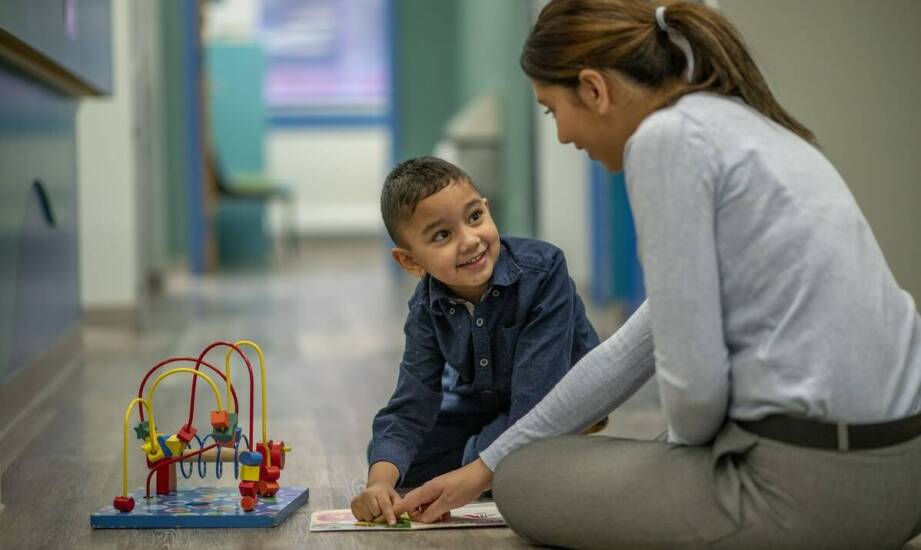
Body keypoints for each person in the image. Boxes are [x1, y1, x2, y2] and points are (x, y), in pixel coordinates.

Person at [394, 1, 921, 547]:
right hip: (908, 480)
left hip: (811, 497)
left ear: (595, 89)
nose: (562, 137)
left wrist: (505, 471)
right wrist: (483, 466)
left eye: (552, 111)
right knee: (526, 460)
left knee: (526, 477)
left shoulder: (665, 141)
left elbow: (694, 405)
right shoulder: (750, 125)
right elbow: (628, 351)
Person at [351, 156, 601, 524]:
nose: (469, 241)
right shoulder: (426, 307)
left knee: (491, 456)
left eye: (474, 218)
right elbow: (411, 403)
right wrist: (379, 483)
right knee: (393, 456)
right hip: (485, 402)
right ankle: (492, 456)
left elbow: (538, 399)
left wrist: (477, 463)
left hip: (553, 399)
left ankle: (516, 451)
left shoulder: (543, 270)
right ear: (409, 261)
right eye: (442, 235)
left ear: (487, 209)